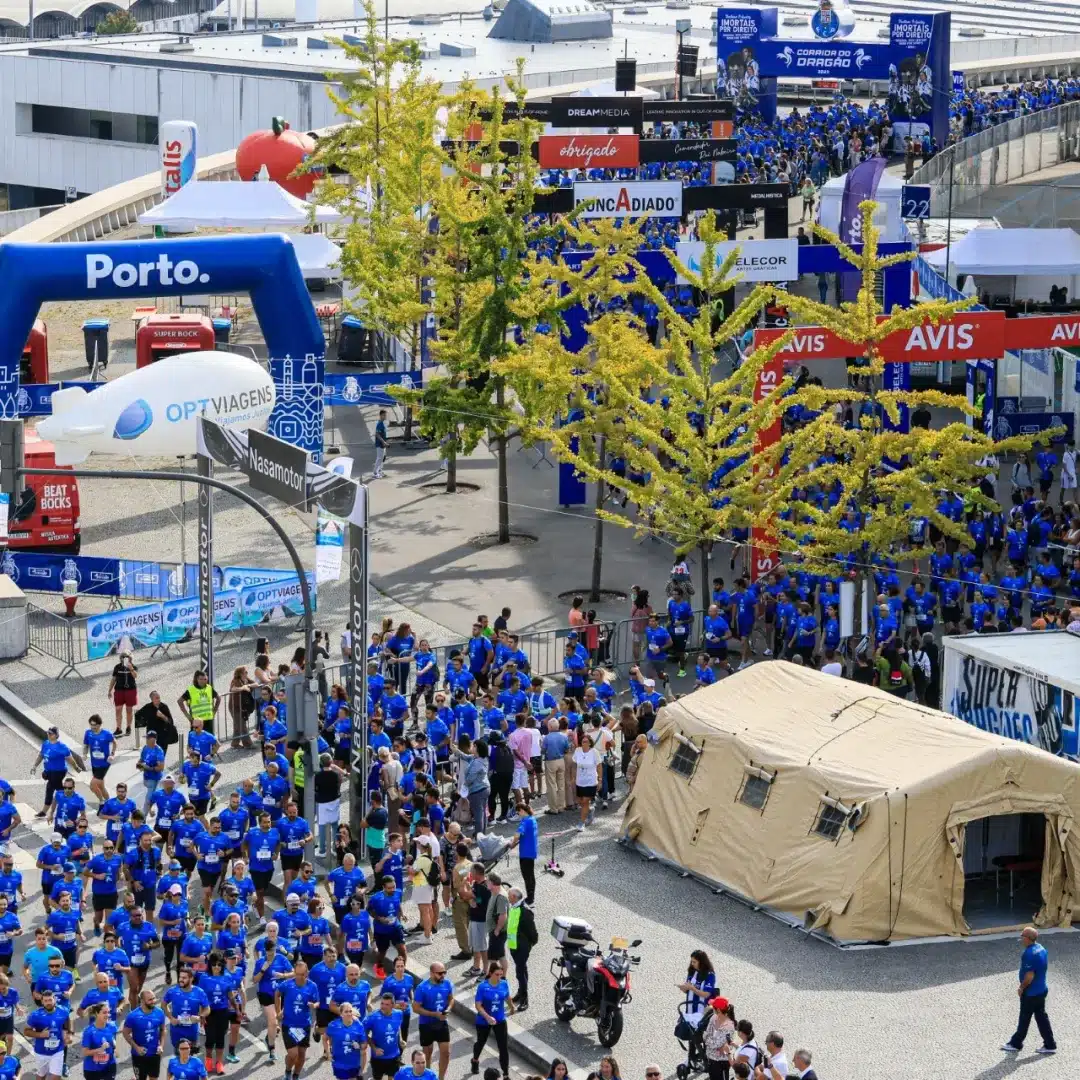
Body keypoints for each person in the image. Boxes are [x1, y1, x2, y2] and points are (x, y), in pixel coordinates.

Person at [1001, 925, 1056, 1055]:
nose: (1021, 938)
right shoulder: (1041, 948)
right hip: (1042, 990)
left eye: (1022, 936)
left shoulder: (1029, 954)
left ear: (1028, 938)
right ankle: (1050, 1044)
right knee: (1041, 1017)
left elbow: (1030, 975)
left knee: (1024, 1018)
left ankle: (1016, 1043)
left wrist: (1021, 988)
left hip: (1031, 993)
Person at [277, 960, 320, 1080]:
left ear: (307, 973)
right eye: (297, 974)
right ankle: (287, 1072)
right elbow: (277, 994)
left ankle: (296, 1076)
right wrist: (278, 1011)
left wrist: (314, 1005)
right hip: (289, 1024)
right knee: (293, 1054)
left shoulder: (312, 986)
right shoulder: (287, 984)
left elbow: (317, 1001)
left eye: (302, 974)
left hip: (304, 1025)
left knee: (301, 1055)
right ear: (294, 972)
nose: (299, 977)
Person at [471, 963, 513, 1080]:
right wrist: (487, 1017)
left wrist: (512, 1007)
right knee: (481, 1042)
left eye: (501, 974)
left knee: (503, 1047)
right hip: (484, 1020)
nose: (499, 977)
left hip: (499, 1020)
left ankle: (505, 1074)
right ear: (490, 973)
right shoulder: (483, 987)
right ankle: (475, 1060)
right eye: (496, 974)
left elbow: (507, 997)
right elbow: (478, 1005)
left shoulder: (504, 984)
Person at [412, 963, 453, 1080]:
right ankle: (428, 1077)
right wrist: (434, 1014)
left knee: (446, 1053)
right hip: (426, 1024)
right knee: (428, 1054)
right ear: (431, 973)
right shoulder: (422, 988)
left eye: (444, 972)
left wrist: (449, 1009)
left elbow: (451, 998)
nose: (443, 975)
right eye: (440, 973)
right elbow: (415, 1008)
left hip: (441, 1022)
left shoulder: (447, 983)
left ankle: (441, 1078)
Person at [123, 988, 166, 1080]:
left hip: (155, 1054)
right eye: (150, 999)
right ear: (142, 1001)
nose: (153, 1001)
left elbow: (163, 1030)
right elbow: (125, 1033)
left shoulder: (159, 1013)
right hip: (139, 1056)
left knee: (154, 1078)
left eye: (154, 998)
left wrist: (161, 1045)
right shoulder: (133, 1016)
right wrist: (136, 1047)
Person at [506, 887, 536, 1012]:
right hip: (514, 945)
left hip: (522, 947)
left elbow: (532, 932)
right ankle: (521, 992)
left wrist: (528, 945)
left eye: (509, 896)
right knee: (521, 970)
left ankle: (524, 998)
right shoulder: (513, 907)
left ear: (514, 897)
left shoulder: (525, 911)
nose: (508, 897)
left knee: (520, 971)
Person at [363, 993, 404, 1080]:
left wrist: (400, 1039)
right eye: (382, 1003)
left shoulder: (399, 1014)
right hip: (378, 1057)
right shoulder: (373, 1017)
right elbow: (363, 1033)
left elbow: (398, 1026)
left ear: (393, 1005)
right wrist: (374, 1048)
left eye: (387, 1004)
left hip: (394, 1055)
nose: (383, 1006)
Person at [677, 950, 716, 1035]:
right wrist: (684, 988)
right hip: (690, 1009)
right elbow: (688, 990)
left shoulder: (710, 975)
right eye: (691, 961)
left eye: (694, 962)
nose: (692, 964)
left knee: (699, 1037)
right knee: (690, 1038)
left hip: (702, 1011)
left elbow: (706, 994)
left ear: (701, 962)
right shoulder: (692, 972)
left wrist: (692, 988)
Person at [506, 804, 537, 906]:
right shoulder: (532, 819)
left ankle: (530, 899)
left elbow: (517, 834)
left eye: (518, 812)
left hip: (525, 853)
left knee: (527, 876)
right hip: (532, 851)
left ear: (523, 811)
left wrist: (513, 843)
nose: (518, 814)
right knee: (531, 876)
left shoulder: (525, 821)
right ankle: (531, 896)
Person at [327, 1001, 367, 1080]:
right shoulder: (333, 1025)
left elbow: (364, 1046)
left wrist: (359, 1046)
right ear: (341, 1014)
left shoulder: (359, 1026)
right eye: (346, 1012)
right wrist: (328, 1052)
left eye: (350, 1011)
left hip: (354, 1064)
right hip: (339, 1064)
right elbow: (325, 1039)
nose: (349, 1014)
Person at [83, 716, 116, 807]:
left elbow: (115, 742)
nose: (92, 727)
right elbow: (85, 744)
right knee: (101, 787)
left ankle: (101, 801)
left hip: (104, 764)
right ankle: (109, 802)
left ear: (99, 724)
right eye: (91, 725)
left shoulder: (106, 734)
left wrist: (112, 754)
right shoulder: (88, 733)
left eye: (95, 725)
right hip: (94, 763)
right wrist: (84, 754)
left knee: (92, 786)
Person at [81, 1001, 119, 1080]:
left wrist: (115, 1047)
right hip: (92, 1068)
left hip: (109, 1065)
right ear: (97, 1013)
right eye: (104, 1012)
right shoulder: (89, 1031)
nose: (107, 1015)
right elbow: (85, 1052)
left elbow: (113, 1039)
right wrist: (100, 1049)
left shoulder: (112, 1026)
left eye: (108, 1012)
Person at [177, 672, 220, 737]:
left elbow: (218, 698)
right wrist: (188, 716)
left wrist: (214, 711)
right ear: (197, 679)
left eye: (205, 679)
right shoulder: (191, 690)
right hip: (196, 721)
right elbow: (179, 701)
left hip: (208, 720)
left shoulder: (209, 688)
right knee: (195, 741)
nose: (203, 681)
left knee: (208, 740)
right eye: (201, 679)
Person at [572, 734, 601, 832]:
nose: (583, 743)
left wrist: (600, 780)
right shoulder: (577, 751)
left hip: (591, 781)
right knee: (580, 801)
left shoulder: (594, 752)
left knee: (585, 801)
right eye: (582, 741)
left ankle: (581, 823)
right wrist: (572, 777)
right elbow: (574, 764)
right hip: (580, 781)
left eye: (586, 741)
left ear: (590, 743)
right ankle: (590, 810)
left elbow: (599, 766)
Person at [703, 998, 736, 1080]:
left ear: (718, 1010)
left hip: (722, 1061)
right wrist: (710, 1040)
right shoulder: (713, 1018)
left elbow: (713, 1042)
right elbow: (707, 1035)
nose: (711, 1007)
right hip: (711, 1058)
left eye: (713, 1007)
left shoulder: (729, 1026)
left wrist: (708, 1039)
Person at [108, 652, 138, 737]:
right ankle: (118, 728)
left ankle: (128, 727)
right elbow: (113, 679)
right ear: (120, 658)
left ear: (130, 658)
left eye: (127, 657)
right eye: (123, 657)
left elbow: (135, 676)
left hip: (130, 691)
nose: (124, 658)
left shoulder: (133, 666)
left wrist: (131, 668)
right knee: (118, 710)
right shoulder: (117, 667)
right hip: (119, 690)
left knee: (129, 710)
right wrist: (109, 690)